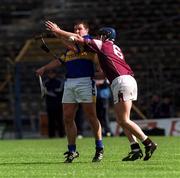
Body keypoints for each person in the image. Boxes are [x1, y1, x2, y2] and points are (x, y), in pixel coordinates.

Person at [45, 21, 157, 161]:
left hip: (121, 81)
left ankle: (148, 142)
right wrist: (59, 35)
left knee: (123, 120)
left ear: (104, 36)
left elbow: (79, 40)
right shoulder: (114, 46)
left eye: (99, 36)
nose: (97, 38)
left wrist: (58, 30)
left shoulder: (102, 44)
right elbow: (75, 46)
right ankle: (135, 148)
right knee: (121, 120)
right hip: (124, 80)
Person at [36, 21, 104, 163]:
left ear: (87, 30)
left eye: (79, 29)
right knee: (67, 117)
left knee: (91, 117)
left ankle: (99, 148)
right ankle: (72, 150)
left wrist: (59, 32)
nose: (77, 31)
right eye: (75, 29)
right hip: (70, 83)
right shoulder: (70, 48)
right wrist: (44, 68)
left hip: (85, 81)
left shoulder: (90, 42)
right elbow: (61, 60)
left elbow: (74, 40)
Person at [44, 70, 65, 138]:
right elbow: (44, 92)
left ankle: (61, 135)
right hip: (50, 104)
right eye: (49, 73)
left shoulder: (59, 81)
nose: (51, 75)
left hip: (58, 104)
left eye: (52, 73)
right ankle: (51, 135)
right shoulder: (46, 82)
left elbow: (59, 91)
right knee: (51, 120)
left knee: (59, 120)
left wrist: (50, 92)